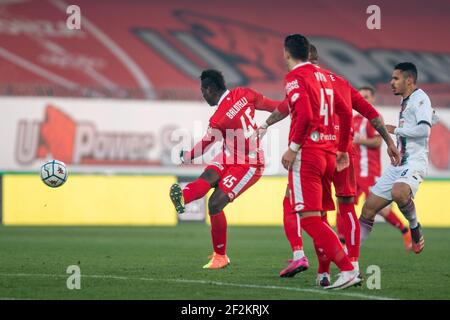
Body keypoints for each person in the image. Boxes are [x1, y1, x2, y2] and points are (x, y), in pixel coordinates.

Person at [259, 44, 400, 287]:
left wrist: (266, 127)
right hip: (343, 152)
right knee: (346, 209)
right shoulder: (338, 81)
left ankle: (324, 271)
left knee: (315, 213)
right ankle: (352, 264)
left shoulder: (303, 80)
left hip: (317, 151)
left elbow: (287, 108)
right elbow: (369, 112)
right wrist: (388, 141)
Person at [260, 34, 360, 290]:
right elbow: (346, 111)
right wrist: (341, 148)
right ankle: (340, 268)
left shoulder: (295, 77)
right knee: (318, 217)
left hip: (309, 155)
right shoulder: (326, 77)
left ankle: (347, 268)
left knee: (310, 219)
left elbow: (303, 114)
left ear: (286, 53)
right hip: (328, 153)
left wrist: (293, 149)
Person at [169, 69, 281, 269]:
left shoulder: (219, 118)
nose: (202, 95)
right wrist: (293, 107)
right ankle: (183, 197)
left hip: (249, 163)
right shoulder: (245, 93)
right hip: (229, 155)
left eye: (202, 91)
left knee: (214, 203)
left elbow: (205, 144)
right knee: (209, 175)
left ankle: (220, 256)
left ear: (210, 89)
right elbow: (275, 106)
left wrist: (186, 156)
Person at [359, 62, 434, 254]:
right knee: (368, 209)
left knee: (399, 192)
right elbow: (428, 120)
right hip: (398, 164)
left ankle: (414, 227)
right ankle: (351, 257)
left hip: (415, 162)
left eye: (396, 78)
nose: (391, 82)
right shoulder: (407, 100)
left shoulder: (420, 99)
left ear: (409, 80)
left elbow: (424, 130)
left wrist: (395, 130)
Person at [353, 86, 412, 251]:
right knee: (344, 202)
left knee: (381, 210)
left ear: (373, 99)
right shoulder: (354, 119)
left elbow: (378, 142)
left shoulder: (374, 118)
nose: (362, 100)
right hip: (353, 172)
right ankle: (343, 241)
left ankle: (405, 230)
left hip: (369, 172)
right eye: (360, 97)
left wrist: (359, 141)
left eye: (366, 97)